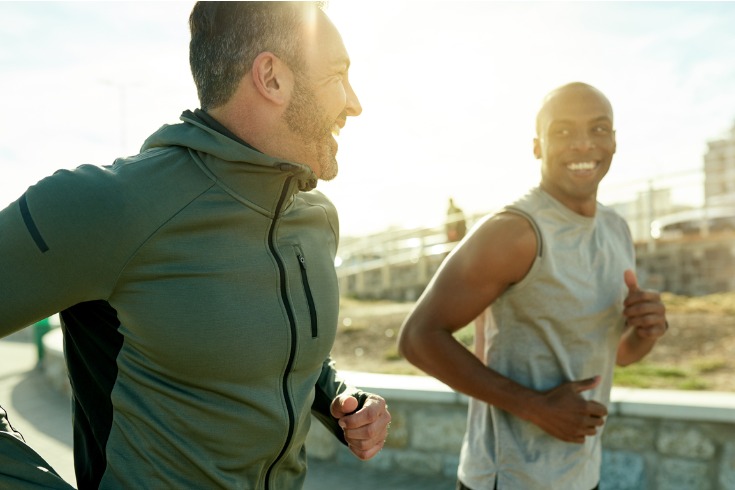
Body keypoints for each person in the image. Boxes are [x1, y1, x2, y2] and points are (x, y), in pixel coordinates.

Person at [0, 2, 391, 489]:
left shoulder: (316, 219)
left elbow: (274, 347)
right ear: (271, 78)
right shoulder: (109, 205)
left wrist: (340, 397)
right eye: (337, 75)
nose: (354, 103)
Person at [398, 82, 668, 490]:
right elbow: (418, 338)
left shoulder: (616, 229)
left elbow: (617, 355)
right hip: (507, 479)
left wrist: (647, 331)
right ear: (537, 146)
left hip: (581, 475)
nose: (582, 144)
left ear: (613, 141)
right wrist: (535, 408)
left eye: (598, 129)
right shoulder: (516, 232)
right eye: (562, 131)